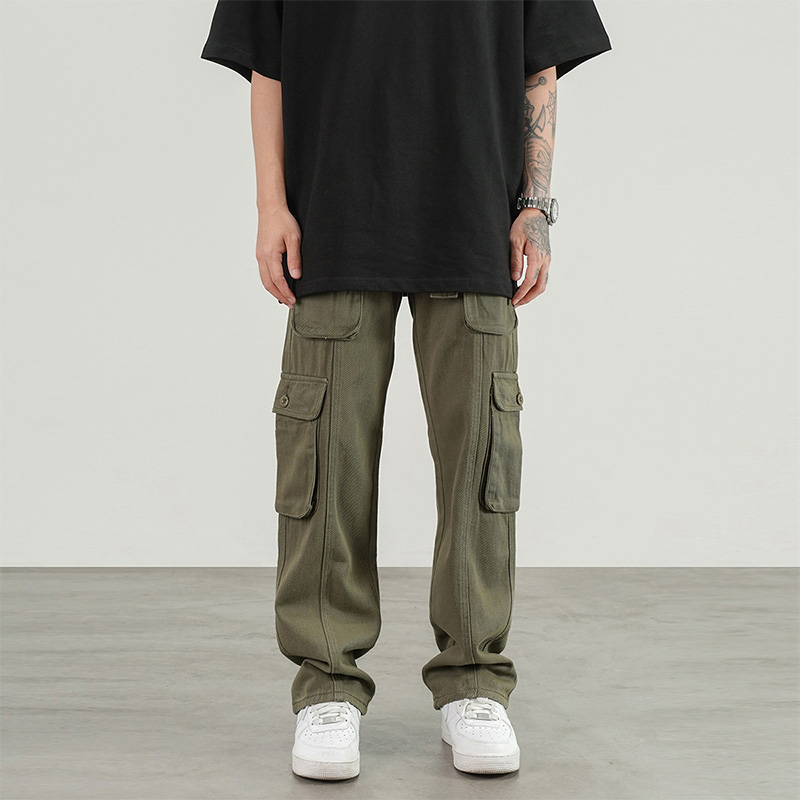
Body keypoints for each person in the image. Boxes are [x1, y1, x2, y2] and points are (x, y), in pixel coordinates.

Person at [201, 0, 611, 781]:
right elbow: (266, 62)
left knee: (481, 464)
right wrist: (270, 206)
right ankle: (328, 687)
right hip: (333, 219)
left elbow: (542, 60)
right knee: (324, 463)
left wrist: (535, 206)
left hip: (473, 220)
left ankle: (474, 680)